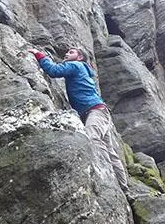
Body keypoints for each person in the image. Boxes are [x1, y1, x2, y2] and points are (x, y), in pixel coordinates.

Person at [27, 46, 129, 190]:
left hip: (94, 112)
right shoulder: (84, 69)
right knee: (110, 152)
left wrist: (39, 55)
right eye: (67, 51)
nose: (66, 54)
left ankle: (107, 178)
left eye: (71, 52)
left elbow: (54, 71)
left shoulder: (75, 65)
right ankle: (124, 187)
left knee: (93, 139)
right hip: (100, 111)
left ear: (80, 57)